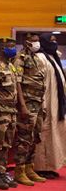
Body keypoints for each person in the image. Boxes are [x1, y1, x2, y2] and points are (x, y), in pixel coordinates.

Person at [0, 38, 23, 189]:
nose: (12, 50)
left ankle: (2, 172)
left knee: (6, 145)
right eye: (9, 47)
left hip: (11, 111)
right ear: (1, 49)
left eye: (14, 46)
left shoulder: (11, 66)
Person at [13, 32, 47, 186]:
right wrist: (22, 106)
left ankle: (29, 168)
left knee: (34, 136)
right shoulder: (20, 59)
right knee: (24, 138)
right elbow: (17, 83)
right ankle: (19, 170)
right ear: (27, 42)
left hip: (38, 103)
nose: (37, 43)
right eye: (34, 41)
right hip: (27, 103)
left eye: (38, 40)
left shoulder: (36, 58)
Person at [34, 33, 66, 179]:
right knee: (44, 134)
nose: (54, 43)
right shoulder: (40, 58)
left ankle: (51, 165)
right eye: (51, 40)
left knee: (55, 135)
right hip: (45, 103)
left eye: (55, 40)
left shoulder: (53, 57)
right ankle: (40, 167)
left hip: (56, 103)